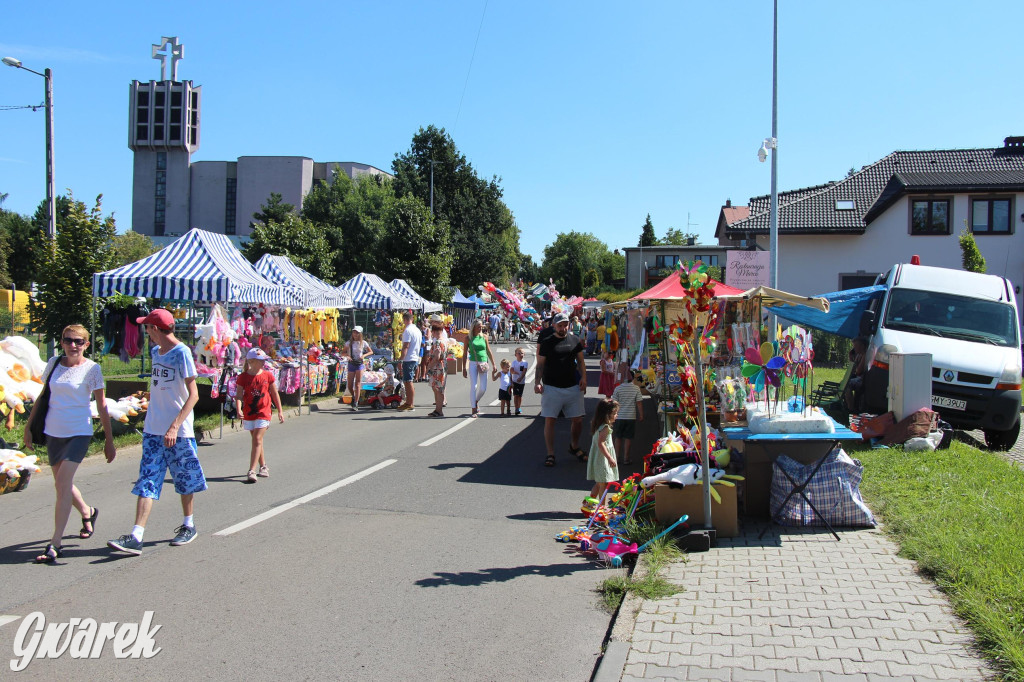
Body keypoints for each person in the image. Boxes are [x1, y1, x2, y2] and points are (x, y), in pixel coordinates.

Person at [108, 308, 205, 556]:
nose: (146, 332)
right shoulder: (155, 352)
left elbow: (193, 395)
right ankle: (136, 536)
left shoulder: (181, 353)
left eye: (147, 327)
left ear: (155, 329)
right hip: (153, 430)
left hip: (179, 431)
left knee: (184, 480)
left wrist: (174, 425)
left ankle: (188, 525)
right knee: (147, 480)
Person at [27, 325, 117, 564]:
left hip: (79, 432)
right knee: (61, 483)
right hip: (53, 432)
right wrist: (28, 427)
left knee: (62, 484)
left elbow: (102, 407)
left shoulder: (92, 369)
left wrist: (109, 440)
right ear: (62, 342)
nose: (73, 345)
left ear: (86, 344)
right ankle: (87, 512)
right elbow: (43, 395)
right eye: (68, 340)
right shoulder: (54, 364)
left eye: (78, 341)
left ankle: (55, 543)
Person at [534, 311, 587, 467]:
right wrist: (537, 382)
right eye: (560, 325)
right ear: (554, 326)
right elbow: (540, 365)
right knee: (550, 420)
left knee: (577, 420)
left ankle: (574, 446)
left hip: (572, 386)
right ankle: (550, 453)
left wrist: (584, 378)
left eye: (565, 325)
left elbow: (581, 361)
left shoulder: (575, 340)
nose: (563, 328)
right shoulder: (547, 342)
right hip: (551, 387)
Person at [235, 348, 284, 484]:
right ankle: (263, 466)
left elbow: (274, 394)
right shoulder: (243, 377)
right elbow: (239, 395)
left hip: (264, 412)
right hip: (250, 412)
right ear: (251, 361)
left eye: (264, 360)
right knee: (257, 441)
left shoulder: (268, 375)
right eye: (261, 360)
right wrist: (238, 409)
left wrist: (280, 411)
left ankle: (251, 470)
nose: (263, 363)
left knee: (257, 438)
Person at [462, 319, 496, 418]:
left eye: (481, 326)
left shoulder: (484, 337)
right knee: (474, 386)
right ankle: (473, 409)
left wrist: (494, 364)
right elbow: (464, 354)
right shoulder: (468, 338)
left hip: (484, 364)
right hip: (473, 363)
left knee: (483, 388)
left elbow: (488, 351)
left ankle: (476, 400)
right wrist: (464, 368)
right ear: (474, 327)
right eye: (479, 326)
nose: (480, 328)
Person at [586, 398, 619, 500]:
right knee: (603, 484)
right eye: (614, 413)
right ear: (607, 414)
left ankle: (590, 502)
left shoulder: (598, 425)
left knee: (599, 483)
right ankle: (601, 507)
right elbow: (601, 444)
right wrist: (609, 458)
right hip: (602, 459)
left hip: (598, 457)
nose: (616, 415)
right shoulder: (605, 427)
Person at [610, 369, 645, 465]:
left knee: (618, 437)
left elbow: (614, 404)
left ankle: (616, 457)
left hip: (619, 416)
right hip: (631, 417)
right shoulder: (636, 389)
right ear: (632, 378)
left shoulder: (618, 389)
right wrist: (641, 415)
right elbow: (639, 403)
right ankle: (626, 458)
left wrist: (611, 416)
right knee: (628, 438)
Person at [341, 325, 373, 411]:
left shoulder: (363, 343)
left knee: (358, 383)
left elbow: (370, 351)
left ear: (360, 334)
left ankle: (356, 402)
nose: (355, 334)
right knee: (350, 385)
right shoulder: (348, 343)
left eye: (357, 332)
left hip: (359, 364)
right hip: (351, 363)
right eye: (354, 332)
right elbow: (342, 352)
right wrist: (347, 355)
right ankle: (354, 397)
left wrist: (364, 355)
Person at [397, 312, 422, 412]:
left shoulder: (407, 331)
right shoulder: (417, 330)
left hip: (409, 358)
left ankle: (410, 403)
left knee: (408, 381)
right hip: (415, 357)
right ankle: (408, 402)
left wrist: (401, 360)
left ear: (405, 320)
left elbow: (406, 346)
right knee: (408, 381)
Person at [425, 316, 448, 417]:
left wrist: (429, 366)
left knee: (438, 389)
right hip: (443, 367)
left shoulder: (438, 342)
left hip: (437, 368)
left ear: (434, 331)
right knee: (440, 388)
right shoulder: (444, 341)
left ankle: (438, 410)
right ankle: (438, 409)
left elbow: (437, 356)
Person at [844, 336, 869, 412]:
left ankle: (851, 408)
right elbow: (853, 369)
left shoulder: (865, 355)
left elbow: (858, 371)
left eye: (856, 346)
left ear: (862, 346)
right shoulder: (858, 355)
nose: (854, 348)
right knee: (845, 383)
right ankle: (848, 404)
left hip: (863, 379)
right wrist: (851, 359)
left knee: (847, 385)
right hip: (858, 377)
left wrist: (854, 366)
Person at [510, 347, 529, 416]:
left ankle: (519, 407)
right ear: (515, 355)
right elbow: (511, 370)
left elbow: (524, 371)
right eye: (519, 353)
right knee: (516, 395)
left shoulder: (525, 363)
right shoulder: (514, 362)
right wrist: (514, 372)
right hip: (515, 381)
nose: (521, 354)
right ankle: (516, 408)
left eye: (522, 353)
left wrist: (521, 378)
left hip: (521, 382)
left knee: (520, 395)